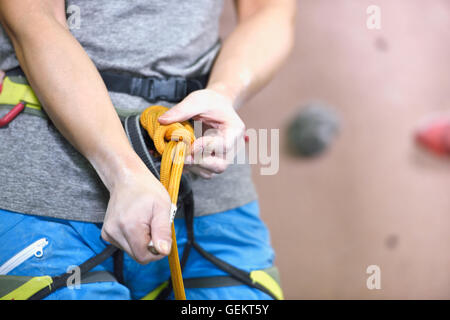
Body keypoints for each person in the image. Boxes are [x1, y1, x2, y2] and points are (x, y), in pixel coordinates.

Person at [0, 0, 296, 299]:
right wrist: (122, 171)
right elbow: (32, 19)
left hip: (210, 201)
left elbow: (268, 11)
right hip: (48, 195)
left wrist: (223, 93)